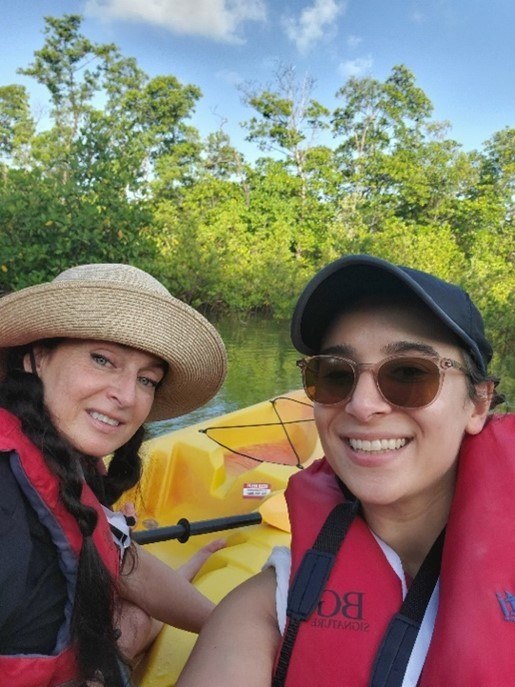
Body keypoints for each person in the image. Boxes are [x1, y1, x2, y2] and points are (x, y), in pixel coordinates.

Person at [177, 254, 513, 687]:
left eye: (410, 373)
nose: (361, 405)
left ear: (479, 403)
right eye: (335, 375)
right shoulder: (266, 610)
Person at [0, 262, 228, 686]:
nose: (126, 396)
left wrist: (234, 629)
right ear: (36, 356)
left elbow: (125, 565)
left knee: (133, 616)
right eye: (102, 360)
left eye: (147, 380)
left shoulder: (59, 453)